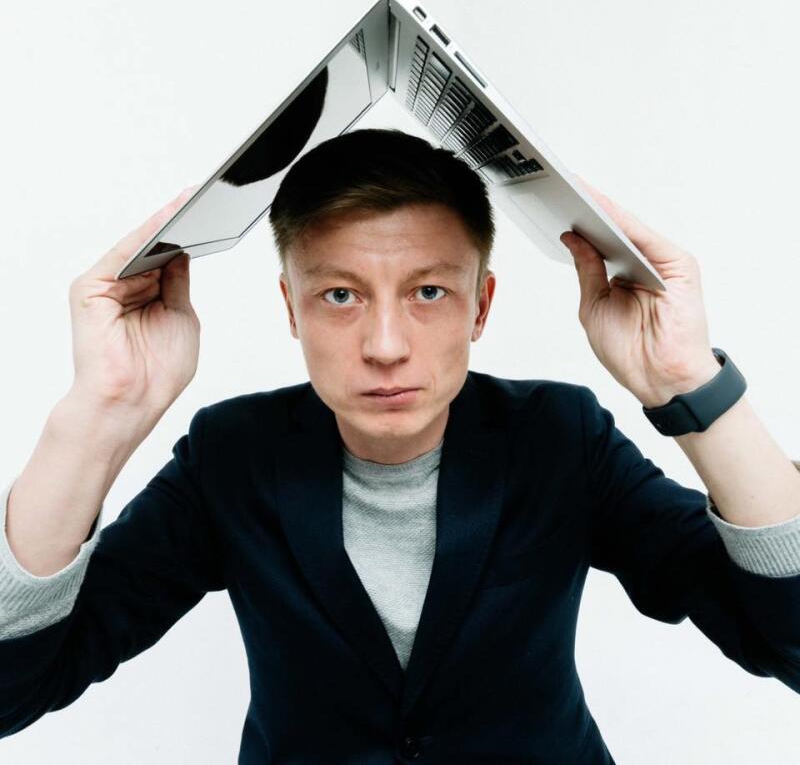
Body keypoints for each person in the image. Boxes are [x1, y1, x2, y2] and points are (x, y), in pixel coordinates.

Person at [1, 128, 799, 764]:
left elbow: (787, 639)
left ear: (480, 308)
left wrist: (692, 384)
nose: (386, 344)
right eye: (340, 295)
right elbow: (12, 692)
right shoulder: (233, 455)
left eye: (428, 292)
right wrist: (99, 414)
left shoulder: (560, 438)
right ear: (292, 308)